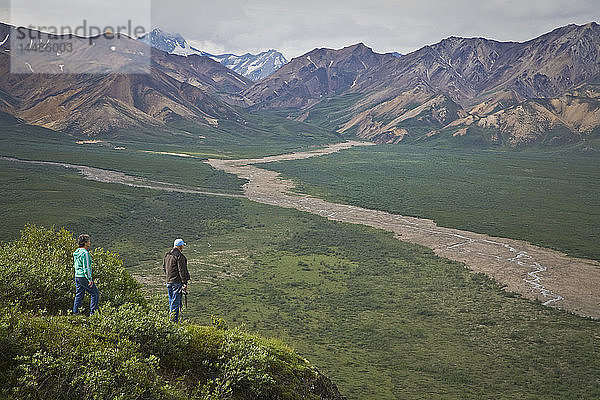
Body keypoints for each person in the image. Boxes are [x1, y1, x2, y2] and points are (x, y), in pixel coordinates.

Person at [163, 238, 190, 322]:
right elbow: (182, 270)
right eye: (182, 246)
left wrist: (169, 276)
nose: (183, 247)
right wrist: (184, 282)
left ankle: (171, 321)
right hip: (176, 283)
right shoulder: (180, 256)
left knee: (171, 302)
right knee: (175, 303)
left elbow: (164, 267)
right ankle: (173, 323)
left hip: (169, 281)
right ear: (180, 246)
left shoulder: (167, 255)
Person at [72, 234, 100, 316]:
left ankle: (76, 312)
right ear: (85, 243)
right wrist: (89, 279)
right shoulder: (85, 253)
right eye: (88, 241)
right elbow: (87, 267)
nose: (89, 243)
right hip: (84, 277)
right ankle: (93, 313)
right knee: (95, 294)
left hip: (77, 276)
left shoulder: (77, 252)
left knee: (79, 294)